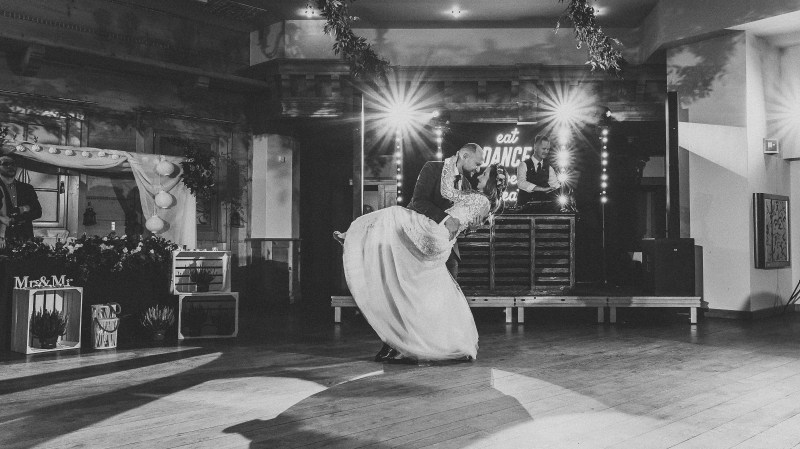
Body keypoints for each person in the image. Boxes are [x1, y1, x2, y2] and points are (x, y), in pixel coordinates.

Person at [335, 161, 506, 363]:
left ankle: (355, 235)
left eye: (483, 172)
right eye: (478, 165)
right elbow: (420, 202)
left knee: (394, 215)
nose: (478, 172)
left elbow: (452, 201)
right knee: (413, 294)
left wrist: (470, 227)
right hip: (438, 244)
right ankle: (413, 345)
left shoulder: (470, 191)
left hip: (434, 239)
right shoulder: (436, 171)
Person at [0, 153, 42, 245]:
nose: (10, 166)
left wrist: (16, 217)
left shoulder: (27, 188)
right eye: (5, 164)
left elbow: (38, 212)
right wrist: (25, 208)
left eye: (13, 164)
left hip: (25, 238)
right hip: (2, 239)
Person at [516, 134, 560, 207]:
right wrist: (542, 189)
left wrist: (562, 190)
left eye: (548, 149)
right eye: (544, 149)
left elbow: (555, 186)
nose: (546, 151)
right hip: (525, 207)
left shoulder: (549, 168)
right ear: (535, 147)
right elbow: (521, 183)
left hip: (543, 208)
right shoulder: (523, 164)